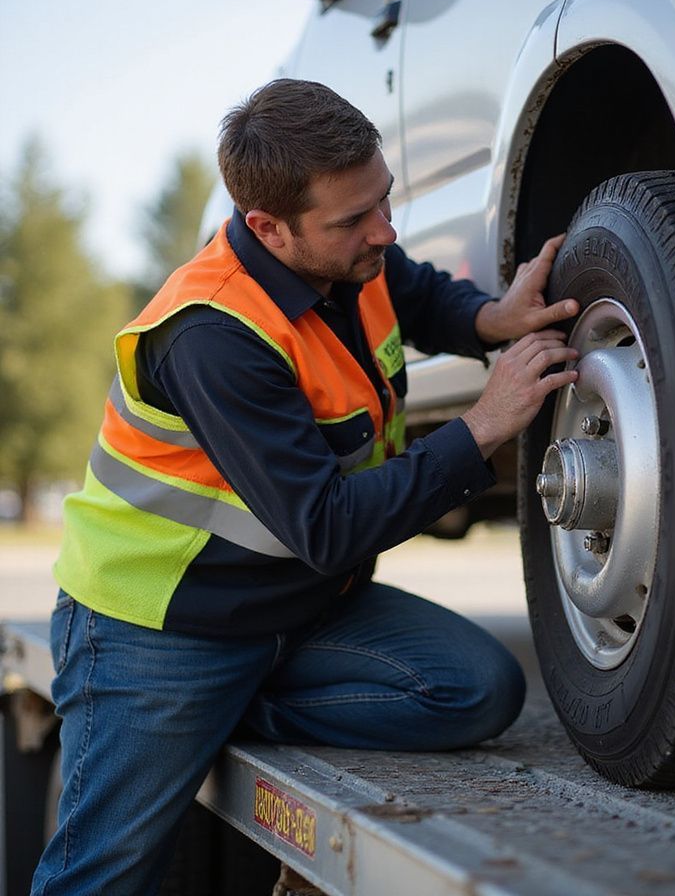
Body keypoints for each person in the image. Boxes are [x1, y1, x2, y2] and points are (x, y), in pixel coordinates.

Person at [31, 79, 579, 896]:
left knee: (475, 690)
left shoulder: (350, 257)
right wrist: (482, 427)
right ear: (268, 228)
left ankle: (222, 714)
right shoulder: (212, 335)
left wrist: (486, 318)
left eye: (383, 201)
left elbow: (416, 289)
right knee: (102, 878)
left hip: (300, 607)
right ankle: (182, 714)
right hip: (162, 629)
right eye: (355, 220)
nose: (383, 231)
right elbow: (324, 525)